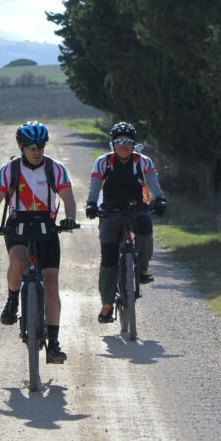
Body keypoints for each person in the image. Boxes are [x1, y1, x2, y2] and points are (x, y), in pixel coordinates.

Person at [0, 121, 77, 364]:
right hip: (18, 225)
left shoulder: (55, 169)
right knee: (17, 260)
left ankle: (54, 343)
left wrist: (70, 219)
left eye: (41, 146)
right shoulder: (10, 169)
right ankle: (13, 300)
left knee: (52, 283)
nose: (37, 150)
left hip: (47, 226)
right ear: (21, 147)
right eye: (31, 146)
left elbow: (68, 197)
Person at [85, 121, 167, 323]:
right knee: (109, 256)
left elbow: (153, 182)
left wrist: (160, 199)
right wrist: (91, 204)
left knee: (145, 226)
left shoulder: (143, 161)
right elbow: (95, 186)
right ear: (113, 144)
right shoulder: (103, 162)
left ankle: (143, 267)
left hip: (137, 207)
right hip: (110, 211)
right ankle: (106, 303)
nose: (124, 145)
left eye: (129, 141)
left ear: (134, 144)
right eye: (120, 141)